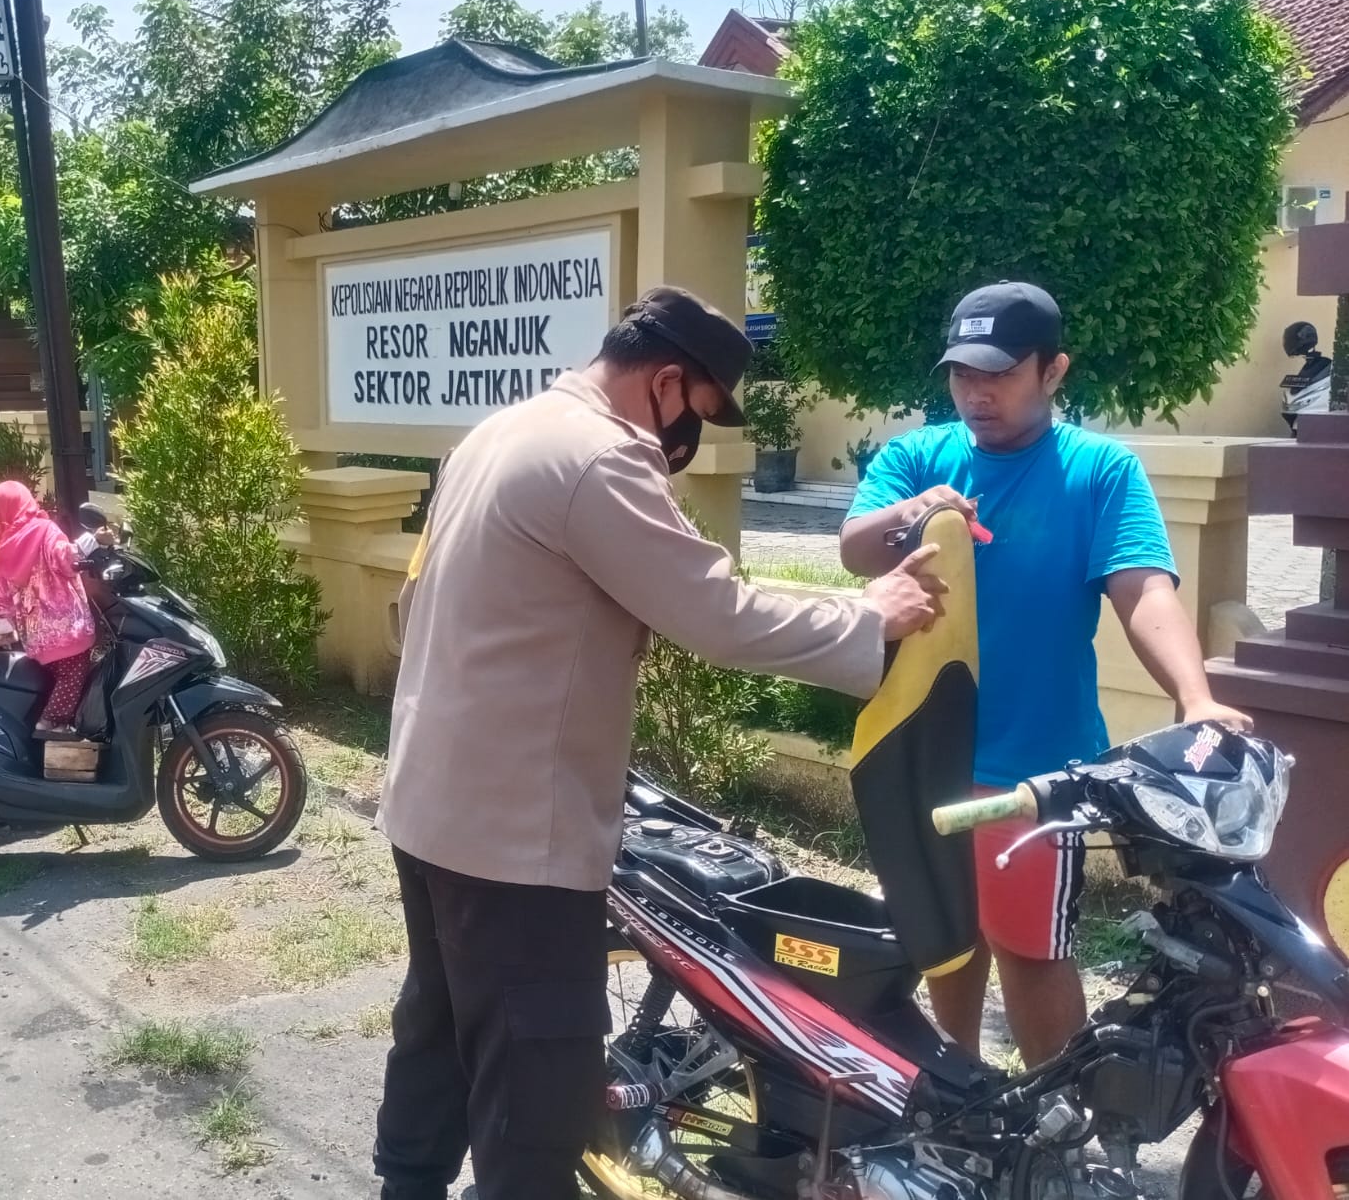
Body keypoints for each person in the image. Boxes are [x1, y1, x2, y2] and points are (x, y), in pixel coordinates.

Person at [372, 286, 945, 1200]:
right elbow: (714, 612)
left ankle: (407, 1184)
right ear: (668, 380)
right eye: (700, 416)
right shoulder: (598, 459)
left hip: (432, 800)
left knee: (442, 1020)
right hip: (517, 830)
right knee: (536, 1063)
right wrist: (868, 616)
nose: (691, 443)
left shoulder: (501, 430)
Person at [838, 280, 1253, 1069]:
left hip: (1037, 769)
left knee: (1031, 951)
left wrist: (1195, 697)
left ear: (1052, 371)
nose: (975, 392)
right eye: (962, 373)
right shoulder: (915, 456)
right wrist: (910, 516)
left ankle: (1058, 1126)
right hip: (920, 754)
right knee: (943, 946)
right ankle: (954, 1103)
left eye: (998, 373)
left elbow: (1143, 589)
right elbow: (855, 547)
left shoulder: (1099, 470)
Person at [0, 481, 97, 737]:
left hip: (35, 638)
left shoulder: (6, 549)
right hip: (68, 630)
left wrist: (2, 632)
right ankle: (52, 722)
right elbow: (65, 559)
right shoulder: (45, 530)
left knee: (58, 677)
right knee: (73, 674)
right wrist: (91, 542)